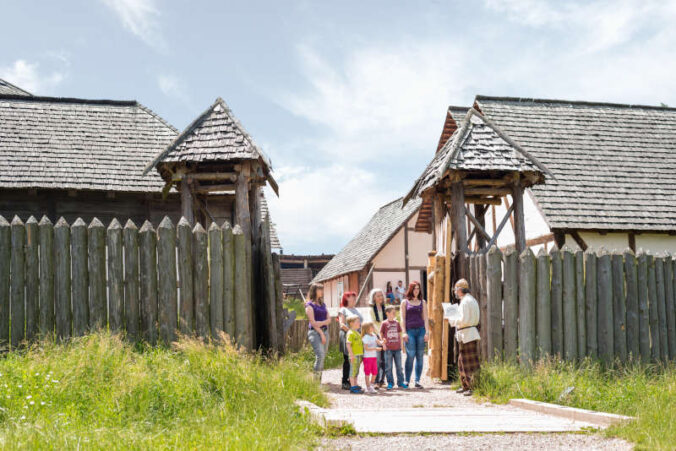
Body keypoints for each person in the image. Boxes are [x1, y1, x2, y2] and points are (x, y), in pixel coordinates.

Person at [450, 279, 480, 396]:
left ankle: (473, 387)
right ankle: (466, 385)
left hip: (468, 333)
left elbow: (464, 320)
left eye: (457, 289)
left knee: (469, 362)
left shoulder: (467, 301)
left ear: (461, 289)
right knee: (462, 361)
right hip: (466, 334)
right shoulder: (467, 300)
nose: (456, 292)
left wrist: (452, 319)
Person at [400, 281, 429, 388]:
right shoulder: (405, 302)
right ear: (410, 289)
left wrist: (427, 332)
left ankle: (417, 381)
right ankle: (406, 380)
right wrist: (404, 332)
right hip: (409, 331)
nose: (416, 290)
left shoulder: (423, 302)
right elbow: (402, 318)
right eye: (414, 288)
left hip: (421, 330)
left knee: (420, 356)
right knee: (410, 355)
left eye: (418, 288)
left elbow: (425, 318)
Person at [305, 283, 331, 381]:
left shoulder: (323, 304)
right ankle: (316, 382)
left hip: (325, 331)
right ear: (314, 291)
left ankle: (319, 379)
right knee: (320, 355)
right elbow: (312, 322)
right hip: (315, 333)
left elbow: (329, 319)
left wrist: (320, 322)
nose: (322, 291)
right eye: (320, 289)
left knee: (322, 357)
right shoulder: (309, 305)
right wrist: (321, 333)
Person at [338, 291, 363, 390]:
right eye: (351, 297)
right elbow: (342, 324)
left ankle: (353, 382)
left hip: (357, 337)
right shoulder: (343, 309)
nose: (353, 298)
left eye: (354, 296)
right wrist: (352, 333)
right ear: (346, 299)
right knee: (348, 359)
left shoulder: (356, 310)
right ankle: (345, 381)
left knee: (357, 359)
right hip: (347, 335)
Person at [380, 305, 407, 390]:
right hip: (388, 349)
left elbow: (400, 334)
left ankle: (400, 382)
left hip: (397, 348)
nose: (394, 314)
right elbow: (381, 334)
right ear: (387, 313)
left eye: (395, 312)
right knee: (388, 367)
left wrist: (402, 346)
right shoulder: (384, 323)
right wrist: (383, 344)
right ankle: (390, 382)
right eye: (393, 313)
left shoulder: (397, 323)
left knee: (399, 366)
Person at [368, 288, 387, 388]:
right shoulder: (371, 310)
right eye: (378, 296)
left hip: (385, 336)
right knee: (378, 360)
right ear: (374, 298)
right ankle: (375, 381)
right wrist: (380, 336)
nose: (380, 297)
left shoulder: (385, 308)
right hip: (376, 336)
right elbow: (374, 324)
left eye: (381, 295)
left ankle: (381, 380)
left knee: (385, 359)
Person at [360, 321, 381, 394]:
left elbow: (379, 342)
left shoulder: (374, 335)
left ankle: (371, 386)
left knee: (375, 372)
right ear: (367, 328)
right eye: (371, 326)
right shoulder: (365, 337)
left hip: (373, 357)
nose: (373, 327)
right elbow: (366, 348)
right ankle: (367, 387)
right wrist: (375, 349)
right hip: (367, 358)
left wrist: (383, 342)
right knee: (367, 373)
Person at [345, 316, 364, 394]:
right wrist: (351, 355)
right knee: (352, 372)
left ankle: (355, 385)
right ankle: (352, 387)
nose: (359, 323)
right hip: (354, 355)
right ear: (351, 323)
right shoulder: (350, 333)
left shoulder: (357, 332)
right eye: (357, 321)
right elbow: (348, 344)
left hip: (359, 355)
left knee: (356, 371)